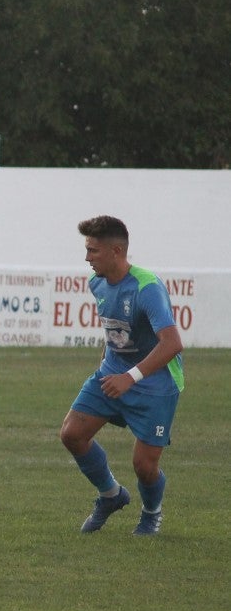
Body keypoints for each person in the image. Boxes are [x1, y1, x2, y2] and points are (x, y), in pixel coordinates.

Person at [59, 215, 184, 536]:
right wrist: (109, 366)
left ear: (116, 251)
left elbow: (172, 343)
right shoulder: (97, 282)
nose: (87, 258)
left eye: (93, 251)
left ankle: (151, 513)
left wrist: (130, 377)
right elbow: (116, 330)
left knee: (144, 466)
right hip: (111, 373)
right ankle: (111, 495)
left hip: (155, 383)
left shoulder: (146, 287)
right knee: (72, 434)